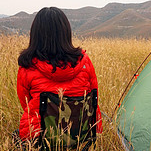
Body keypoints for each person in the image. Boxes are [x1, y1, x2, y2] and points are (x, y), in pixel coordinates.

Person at [16, 7, 102, 141]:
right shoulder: (84, 62)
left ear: (35, 34)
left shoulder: (27, 66)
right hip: (81, 132)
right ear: (66, 32)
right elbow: (93, 94)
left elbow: (25, 102)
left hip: (40, 137)